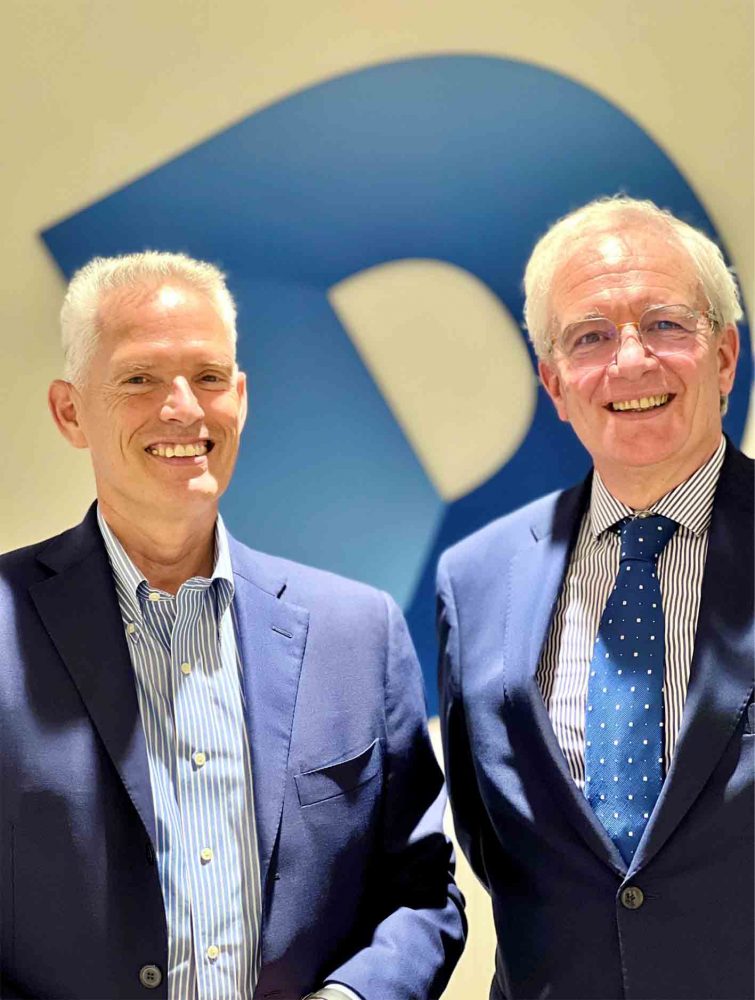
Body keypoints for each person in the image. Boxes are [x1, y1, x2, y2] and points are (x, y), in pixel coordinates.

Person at [0, 252, 464, 1000]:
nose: (183, 408)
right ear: (70, 412)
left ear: (240, 399)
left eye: (208, 376)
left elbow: (422, 890)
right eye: (139, 379)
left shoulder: (360, 634)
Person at [438, 196, 753, 1000]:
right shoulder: (475, 581)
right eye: (589, 337)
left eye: (665, 325)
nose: (630, 361)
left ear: (723, 357)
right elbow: (493, 841)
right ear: (553, 383)